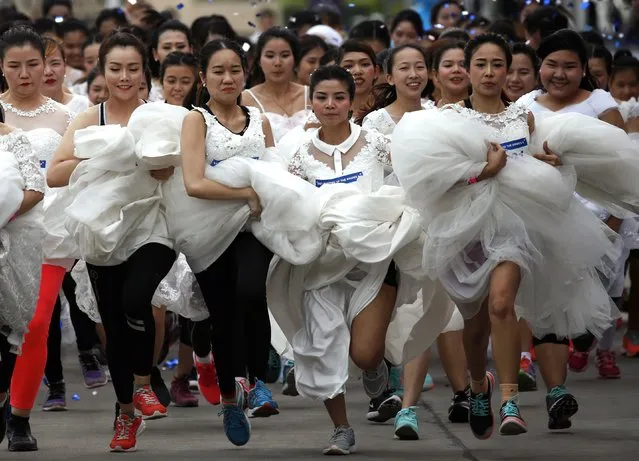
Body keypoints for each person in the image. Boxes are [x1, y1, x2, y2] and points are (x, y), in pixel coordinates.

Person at [47, 31, 176, 452]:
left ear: (145, 72)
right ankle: (124, 415)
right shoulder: (88, 120)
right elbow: (54, 173)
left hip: (153, 226)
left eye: (133, 69)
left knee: (137, 299)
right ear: (102, 71)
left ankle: (144, 383)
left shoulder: (161, 115)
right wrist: (103, 156)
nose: (124, 77)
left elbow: (188, 162)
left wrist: (165, 167)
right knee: (115, 330)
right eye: (115, 69)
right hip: (102, 235)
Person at [180, 38, 281, 447]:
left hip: (254, 228)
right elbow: (193, 182)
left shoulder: (259, 119)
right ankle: (230, 402)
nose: (227, 78)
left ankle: (257, 370)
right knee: (221, 316)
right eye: (218, 71)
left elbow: (276, 172)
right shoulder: (195, 120)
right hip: (208, 228)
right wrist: (244, 193)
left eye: (235, 70)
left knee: (251, 289)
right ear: (203, 78)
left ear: (245, 73)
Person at [0, 25, 75, 452]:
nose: (26, 73)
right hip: (3, 231)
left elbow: (71, 173)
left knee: (36, 321)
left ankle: (21, 418)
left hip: (50, 230)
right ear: (2, 68)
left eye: (34, 64)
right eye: (15, 66)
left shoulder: (66, 115)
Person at [0, 109, 45, 444]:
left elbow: (35, 187)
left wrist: (4, 213)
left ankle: (3, 395)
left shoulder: (14, 138)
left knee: (6, 332)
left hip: (13, 241)